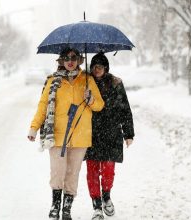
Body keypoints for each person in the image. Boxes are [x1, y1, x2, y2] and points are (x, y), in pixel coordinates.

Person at [27, 48, 104, 220]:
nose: (70, 61)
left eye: (74, 58)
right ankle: (55, 206)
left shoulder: (87, 80)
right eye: (67, 58)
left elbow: (99, 105)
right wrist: (34, 127)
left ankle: (67, 209)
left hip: (80, 136)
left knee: (72, 173)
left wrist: (90, 98)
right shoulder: (53, 81)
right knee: (57, 172)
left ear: (79, 60)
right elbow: (43, 106)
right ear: (61, 60)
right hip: (57, 135)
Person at [84, 52, 135, 220]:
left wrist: (128, 133)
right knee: (92, 171)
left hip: (111, 133)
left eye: (100, 66)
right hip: (90, 133)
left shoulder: (115, 84)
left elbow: (125, 109)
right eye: (94, 66)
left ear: (106, 68)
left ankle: (106, 196)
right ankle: (96, 205)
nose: (96, 69)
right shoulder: (85, 83)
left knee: (108, 170)